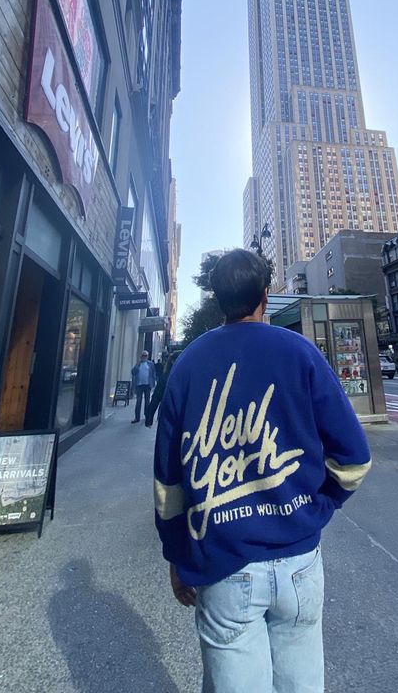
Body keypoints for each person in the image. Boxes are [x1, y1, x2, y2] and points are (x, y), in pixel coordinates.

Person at [154, 249, 371, 693]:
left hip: (222, 566)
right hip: (299, 564)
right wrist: (317, 507)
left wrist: (177, 554)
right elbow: (354, 460)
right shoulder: (301, 353)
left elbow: (168, 484)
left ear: (218, 300)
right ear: (265, 297)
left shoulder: (188, 364)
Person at [131, 350, 156, 424]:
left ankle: (147, 416)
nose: (144, 357)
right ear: (141, 356)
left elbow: (153, 374)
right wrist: (137, 365)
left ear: (147, 356)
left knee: (147, 402)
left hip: (147, 385)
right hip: (139, 385)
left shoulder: (150, 364)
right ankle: (137, 417)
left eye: (145, 356)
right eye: (143, 355)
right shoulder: (138, 364)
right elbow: (133, 372)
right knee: (138, 401)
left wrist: (153, 384)